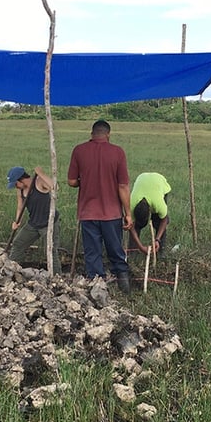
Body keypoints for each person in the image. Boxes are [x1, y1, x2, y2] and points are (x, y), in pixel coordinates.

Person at [67, 119, 133, 292]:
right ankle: (123, 282)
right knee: (115, 249)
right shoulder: (118, 152)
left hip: (88, 212)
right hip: (111, 213)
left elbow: (72, 181)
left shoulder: (79, 150)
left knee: (92, 252)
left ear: (92, 134)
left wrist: (85, 180)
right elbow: (123, 186)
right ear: (108, 134)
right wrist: (128, 213)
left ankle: (98, 285)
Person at [6, 165, 60, 269]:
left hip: (48, 223)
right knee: (18, 243)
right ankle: (12, 269)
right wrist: (17, 221)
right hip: (34, 223)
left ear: (22, 179)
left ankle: (56, 277)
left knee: (50, 251)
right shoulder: (20, 190)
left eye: (16, 183)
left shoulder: (39, 182)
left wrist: (41, 173)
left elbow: (55, 187)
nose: (15, 186)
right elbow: (20, 207)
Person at [128, 172, 171, 255]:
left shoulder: (158, 203)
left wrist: (157, 239)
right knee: (137, 225)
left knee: (158, 221)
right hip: (142, 178)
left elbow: (164, 219)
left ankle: (160, 251)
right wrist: (141, 247)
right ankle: (132, 252)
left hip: (159, 181)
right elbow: (131, 225)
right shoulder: (131, 204)